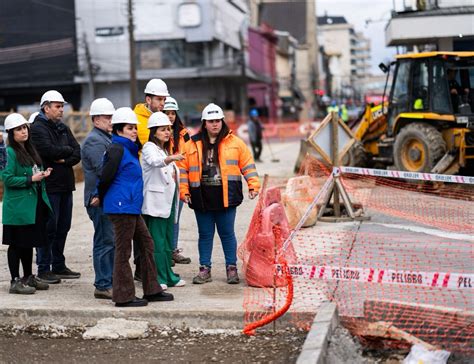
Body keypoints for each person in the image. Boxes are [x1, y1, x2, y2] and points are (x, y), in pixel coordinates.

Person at [93, 107, 173, 307]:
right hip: (121, 207)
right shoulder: (117, 149)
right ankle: (123, 296)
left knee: (147, 244)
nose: (134, 131)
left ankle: (152, 290)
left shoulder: (129, 149)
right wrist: (99, 196)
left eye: (135, 128)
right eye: (130, 128)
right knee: (123, 251)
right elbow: (105, 176)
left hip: (131, 206)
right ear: (119, 130)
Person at [178, 103, 260, 285]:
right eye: (211, 121)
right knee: (205, 235)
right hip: (201, 197)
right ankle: (204, 269)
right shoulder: (191, 144)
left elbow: (247, 164)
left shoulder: (235, 143)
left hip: (227, 197)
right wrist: (184, 191)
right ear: (204, 123)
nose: (215, 124)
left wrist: (253, 185)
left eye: (217, 121)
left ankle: (231, 268)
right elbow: (182, 170)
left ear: (222, 122)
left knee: (227, 234)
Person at [31, 90, 81, 284]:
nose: (61, 110)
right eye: (58, 106)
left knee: (63, 227)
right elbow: (47, 150)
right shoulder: (38, 128)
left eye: (62, 106)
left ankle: (58, 265)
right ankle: (44, 269)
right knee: (48, 227)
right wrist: (65, 153)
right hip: (49, 186)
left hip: (65, 184)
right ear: (46, 108)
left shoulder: (62, 127)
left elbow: (77, 152)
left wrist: (63, 157)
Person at [2, 113, 52, 294]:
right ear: (11, 133)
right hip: (17, 207)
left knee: (29, 242)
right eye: (18, 129)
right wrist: (31, 179)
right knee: (16, 243)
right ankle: (15, 281)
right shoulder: (8, 152)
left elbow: (33, 171)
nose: (23, 132)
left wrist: (42, 174)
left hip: (32, 205)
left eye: (24, 128)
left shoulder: (30, 150)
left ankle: (28, 276)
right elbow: (7, 179)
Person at [141, 112, 186, 288]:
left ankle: (168, 276)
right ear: (153, 131)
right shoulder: (149, 148)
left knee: (167, 242)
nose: (167, 132)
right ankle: (158, 278)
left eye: (168, 129)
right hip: (156, 204)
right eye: (162, 129)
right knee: (157, 243)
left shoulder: (164, 149)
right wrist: (171, 158)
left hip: (168, 203)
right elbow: (155, 162)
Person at [132, 78, 170, 280]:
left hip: (159, 179)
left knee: (155, 227)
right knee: (141, 226)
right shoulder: (136, 120)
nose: (162, 103)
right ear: (148, 99)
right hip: (140, 179)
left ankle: (154, 267)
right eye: (159, 99)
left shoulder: (160, 118)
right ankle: (141, 268)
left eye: (164, 100)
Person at [81, 98, 116, 300]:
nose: (111, 120)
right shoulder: (95, 141)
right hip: (98, 200)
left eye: (112, 116)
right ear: (96, 119)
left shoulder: (106, 138)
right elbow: (103, 171)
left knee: (110, 241)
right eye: (107, 117)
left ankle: (109, 280)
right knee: (105, 241)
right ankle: (103, 284)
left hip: (105, 199)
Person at [163, 96, 192, 265]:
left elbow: (190, 156)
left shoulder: (184, 134)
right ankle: (165, 252)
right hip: (163, 180)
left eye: (173, 113)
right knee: (163, 217)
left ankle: (172, 250)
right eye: (167, 113)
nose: (170, 116)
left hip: (179, 181)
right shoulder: (158, 133)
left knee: (175, 218)